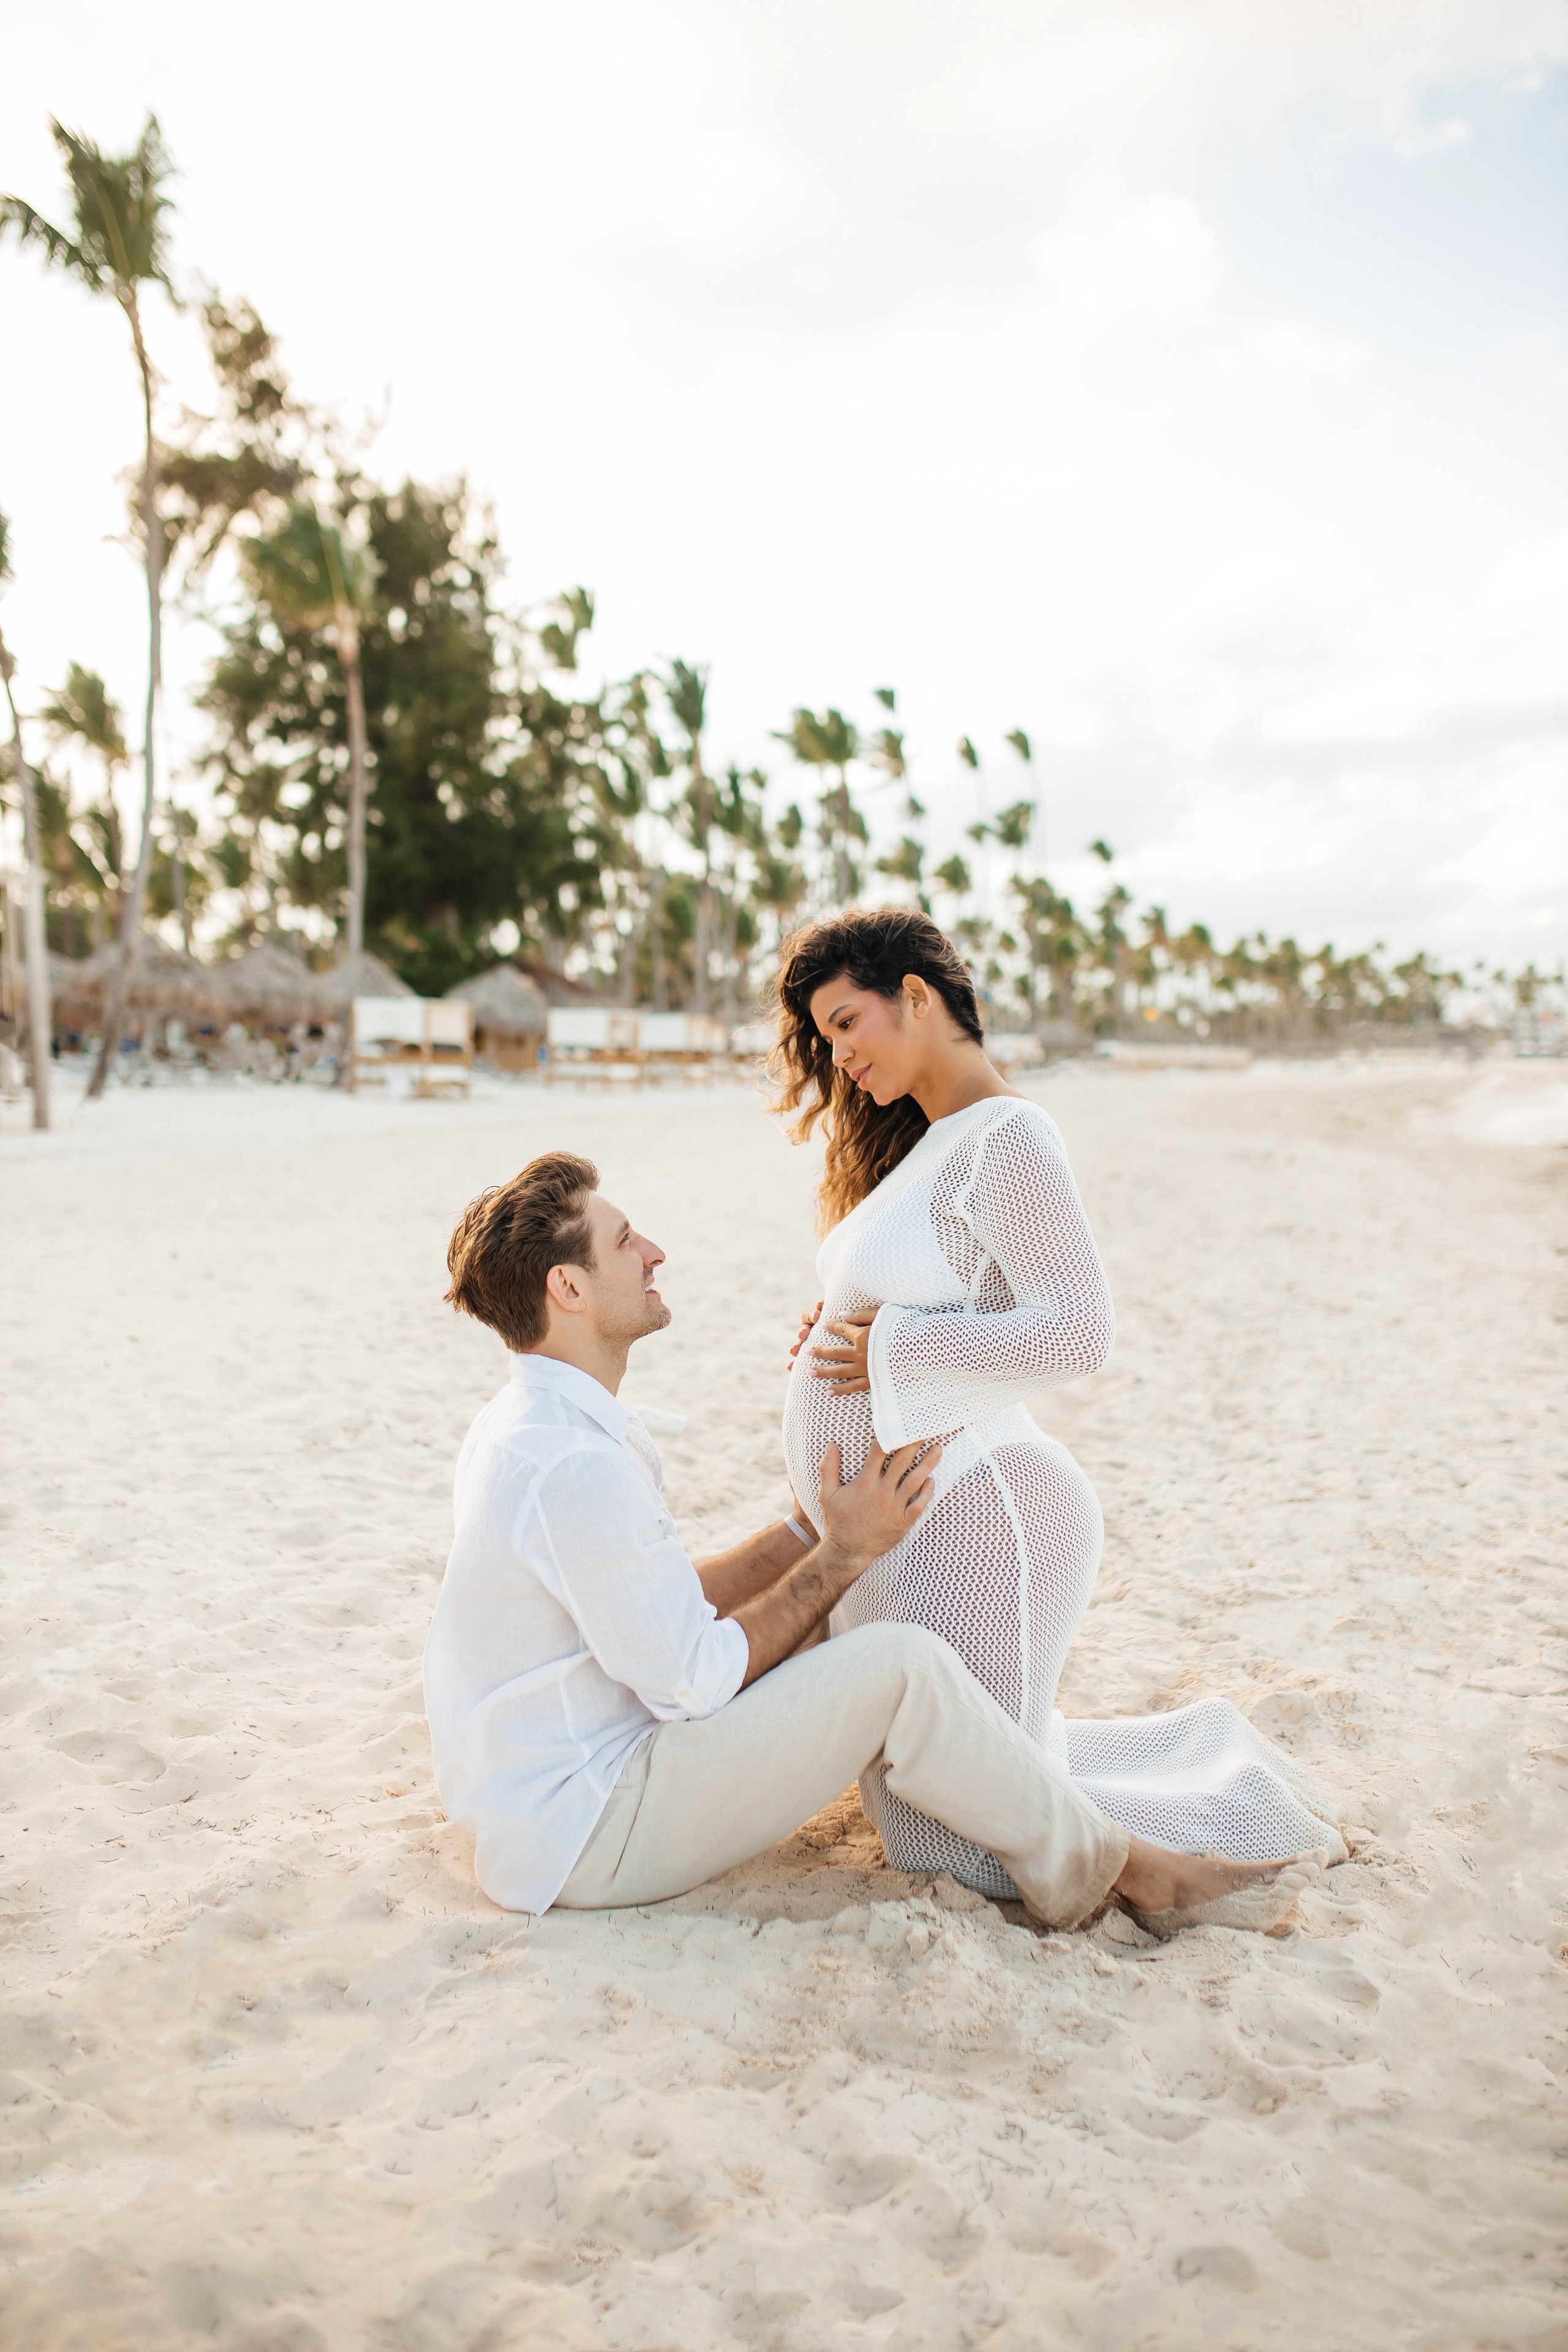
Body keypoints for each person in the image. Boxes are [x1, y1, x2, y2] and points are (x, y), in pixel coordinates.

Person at [423, 1149, 1316, 1929]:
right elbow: (692, 1680)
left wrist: (815, 1529)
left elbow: (668, 1607)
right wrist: (846, 1556)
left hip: (555, 1795)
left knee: (831, 1629)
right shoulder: (569, 1465)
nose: (655, 1252)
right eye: (624, 1242)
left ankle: (1016, 1794)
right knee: (899, 1664)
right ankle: (1127, 1871)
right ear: (567, 1289)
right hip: (590, 1829)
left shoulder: (538, 1423)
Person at [775, 907, 1344, 1899]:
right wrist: (840, 1328)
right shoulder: (930, 1146)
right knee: (933, 1804)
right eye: (825, 1039)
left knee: (954, 1833)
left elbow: (1080, 1327)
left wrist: (891, 1346)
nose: (840, 1056)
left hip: (986, 1518)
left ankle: (1234, 1833)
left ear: (914, 996)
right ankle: (1197, 1752)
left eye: (846, 1023)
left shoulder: (1010, 1135)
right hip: (915, 1520)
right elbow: (958, 1292)